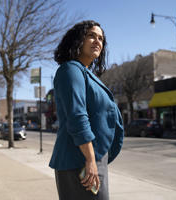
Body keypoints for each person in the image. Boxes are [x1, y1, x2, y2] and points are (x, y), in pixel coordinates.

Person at [49, 20, 124, 200]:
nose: (97, 41)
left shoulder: (85, 72)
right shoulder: (71, 70)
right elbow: (77, 117)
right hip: (80, 160)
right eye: (91, 36)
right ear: (78, 40)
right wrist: (90, 160)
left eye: (101, 38)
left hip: (91, 158)